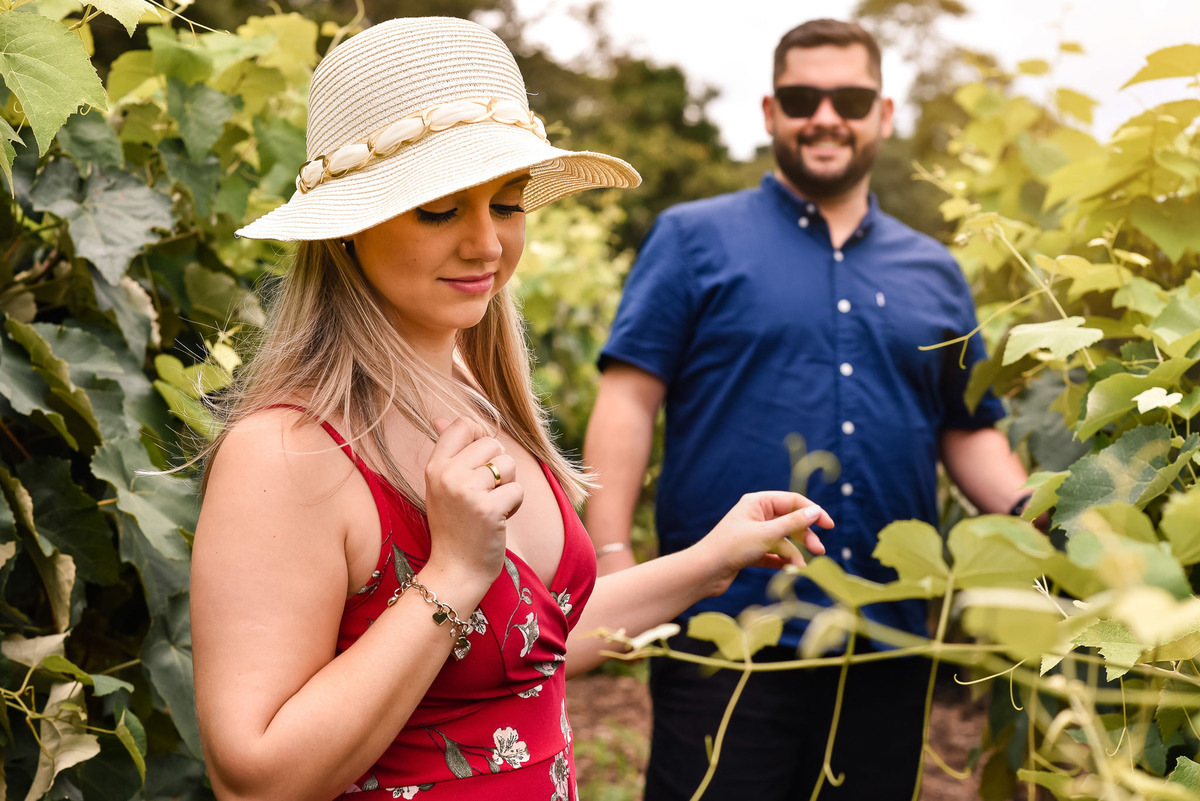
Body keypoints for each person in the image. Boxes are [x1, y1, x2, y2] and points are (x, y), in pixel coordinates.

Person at [189, 16, 834, 801]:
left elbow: (538, 638)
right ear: (348, 229)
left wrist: (713, 558)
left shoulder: (472, 394)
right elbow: (254, 780)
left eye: (507, 202)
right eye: (440, 209)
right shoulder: (291, 450)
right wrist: (454, 571)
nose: (487, 244)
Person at [582, 17, 1034, 801]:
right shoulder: (693, 239)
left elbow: (968, 428)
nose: (826, 114)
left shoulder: (934, 270)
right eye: (802, 97)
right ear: (769, 112)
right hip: (725, 629)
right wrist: (616, 559)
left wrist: (1038, 514)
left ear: (883, 115)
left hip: (886, 634)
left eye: (850, 97)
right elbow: (629, 399)